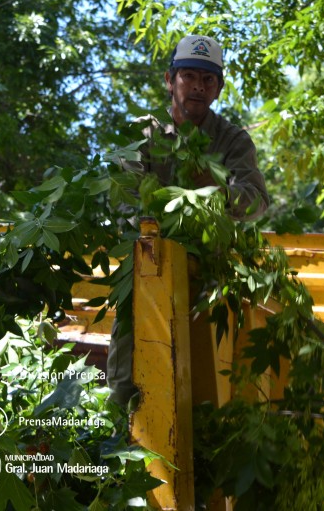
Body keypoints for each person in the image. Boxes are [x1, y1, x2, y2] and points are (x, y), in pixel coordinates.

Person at [106, 34, 270, 407]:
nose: (198, 86)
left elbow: (257, 200)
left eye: (208, 79)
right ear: (170, 79)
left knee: (204, 380)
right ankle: (119, 425)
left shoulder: (233, 141)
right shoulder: (142, 133)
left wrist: (217, 191)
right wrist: (161, 218)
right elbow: (122, 201)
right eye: (189, 76)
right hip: (147, 264)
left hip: (209, 271)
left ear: (218, 89)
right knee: (127, 374)